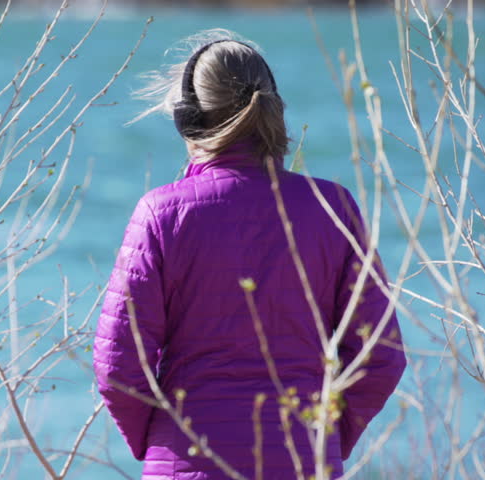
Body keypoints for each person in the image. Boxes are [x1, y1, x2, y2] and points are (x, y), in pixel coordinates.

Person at [93, 30, 406, 480]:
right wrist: (326, 438)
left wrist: (164, 441)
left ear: (188, 120)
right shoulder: (333, 209)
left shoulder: (161, 213)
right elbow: (381, 356)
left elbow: (118, 366)